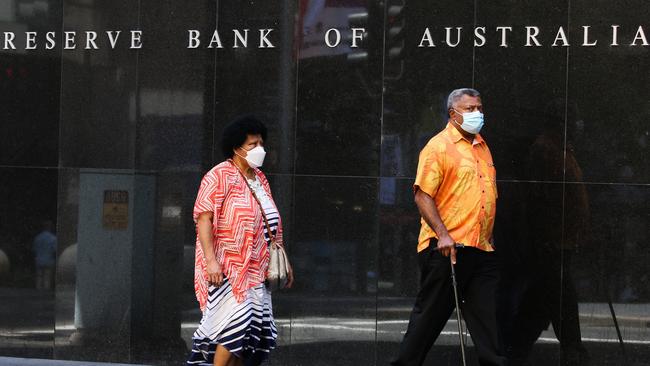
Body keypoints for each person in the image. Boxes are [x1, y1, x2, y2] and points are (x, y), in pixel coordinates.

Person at [391, 88, 506, 366]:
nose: (476, 113)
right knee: (427, 322)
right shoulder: (438, 146)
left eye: (479, 107)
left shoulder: (482, 146)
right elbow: (422, 194)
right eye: (469, 109)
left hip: (480, 249)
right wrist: (443, 235)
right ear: (452, 114)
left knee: (488, 328)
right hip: (447, 250)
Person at [187, 116, 294, 366]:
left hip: (257, 270)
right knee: (233, 329)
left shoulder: (260, 179)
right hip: (228, 270)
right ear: (236, 148)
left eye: (261, 143)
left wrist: (284, 261)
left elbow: (272, 222)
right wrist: (211, 262)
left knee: (250, 337)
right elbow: (203, 219)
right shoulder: (219, 176)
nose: (260, 149)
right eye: (252, 144)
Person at [32, 220, 57, 290]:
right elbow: (55, 250)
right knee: (47, 277)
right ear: (50, 227)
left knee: (39, 277)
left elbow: (34, 249)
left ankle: (38, 291)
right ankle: (45, 292)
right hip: (49, 260)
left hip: (39, 260)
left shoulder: (37, 237)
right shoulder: (53, 238)